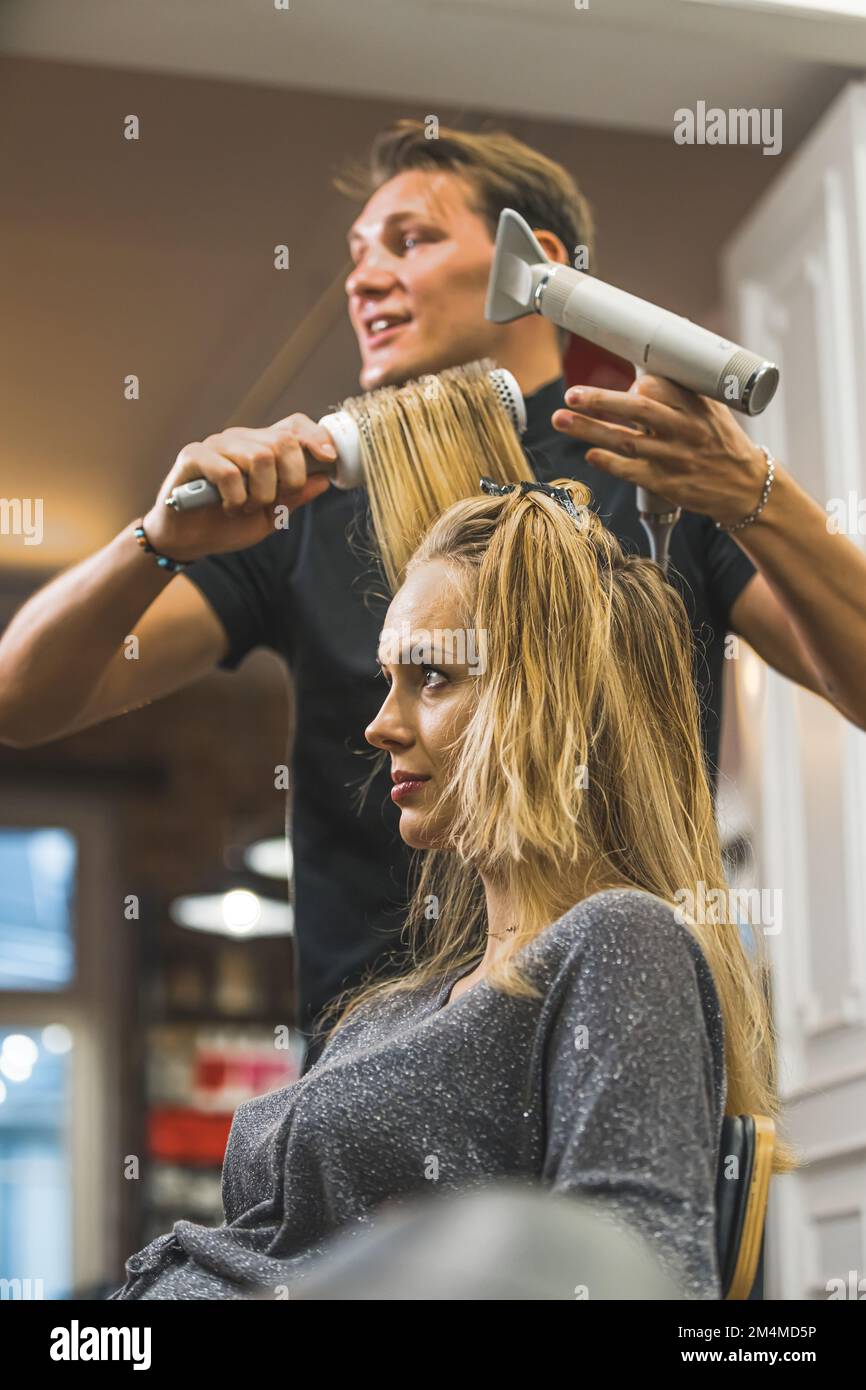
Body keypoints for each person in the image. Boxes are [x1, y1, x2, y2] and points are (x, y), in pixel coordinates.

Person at [1, 122, 864, 1072]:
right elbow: (22, 701)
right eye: (358, 256)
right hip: (374, 1069)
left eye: (411, 241)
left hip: (616, 1040)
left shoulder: (656, 476)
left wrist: (755, 496)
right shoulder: (305, 513)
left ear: (534, 264)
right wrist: (153, 544)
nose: (363, 280)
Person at [106, 474, 797, 1302]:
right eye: (389, 677)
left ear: (550, 699)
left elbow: (638, 1277)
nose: (381, 723)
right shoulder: (391, 1008)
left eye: (431, 677)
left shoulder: (620, 942)